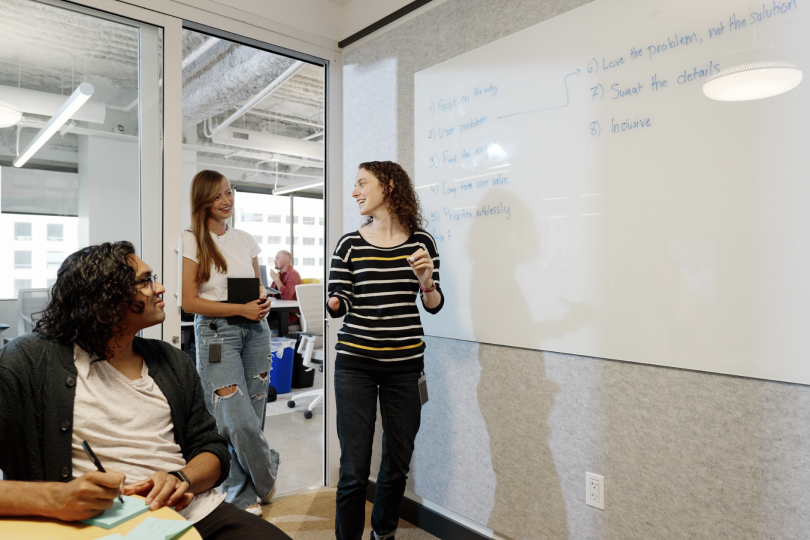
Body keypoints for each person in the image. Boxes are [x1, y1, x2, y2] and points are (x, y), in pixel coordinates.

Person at [0, 241, 290, 540]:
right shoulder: (28, 362)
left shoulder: (172, 361)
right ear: (106, 296)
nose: (161, 288)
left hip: (193, 513)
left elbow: (213, 451)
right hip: (95, 524)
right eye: (146, 280)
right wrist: (56, 499)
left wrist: (182, 479)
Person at [326, 161, 444, 540]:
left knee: (396, 465)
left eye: (363, 183)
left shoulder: (422, 243)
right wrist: (333, 304)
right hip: (355, 365)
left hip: (406, 366)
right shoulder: (349, 244)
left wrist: (426, 281)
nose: (356, 191)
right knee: (354, 469)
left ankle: (384, 533)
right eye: (355, 185)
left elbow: (435, 304)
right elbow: (341, 298)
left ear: (389, 186)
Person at [181, 170, 279, 516]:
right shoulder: (193, 238)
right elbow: (190, 302)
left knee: (254, 414)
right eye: (218, 196)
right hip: (216, 333)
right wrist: (241, 308)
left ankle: (243, 492)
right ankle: (268, 472)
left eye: (229, 193)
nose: (226, 201)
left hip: (255, 331)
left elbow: (256, 285)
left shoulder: (245, 238)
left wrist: (263, 298)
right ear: (203, 201)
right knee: (235, 421)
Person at [267, 249, 303, 326]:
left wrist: (276, 279)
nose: (274, 261)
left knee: (261, 328)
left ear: (286, 260)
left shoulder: (293, 274)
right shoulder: (279, 275)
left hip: (289, 317)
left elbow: (287, 296)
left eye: (277, 258)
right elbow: (271, 294)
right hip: (276, 314)